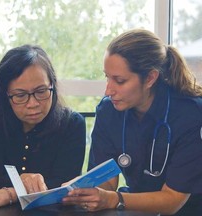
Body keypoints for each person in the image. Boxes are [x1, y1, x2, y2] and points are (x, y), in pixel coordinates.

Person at [62, 29, 202, 215]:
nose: (108, 91)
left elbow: (172, 201)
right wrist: (83, 192)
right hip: (136, 208)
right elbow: (107, 181)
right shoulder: (108, 111)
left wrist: (114, 199)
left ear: (150, 78)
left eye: (119, 81)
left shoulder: (190, 113)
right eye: (107, 77)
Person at [0, 44, 86, 212]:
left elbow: (65, 187)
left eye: (41, 91)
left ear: (53, 85)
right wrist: (22, 183)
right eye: (20, 95)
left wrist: (11, 193)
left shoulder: (71, 124)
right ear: (4, 95)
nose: (33, 104)